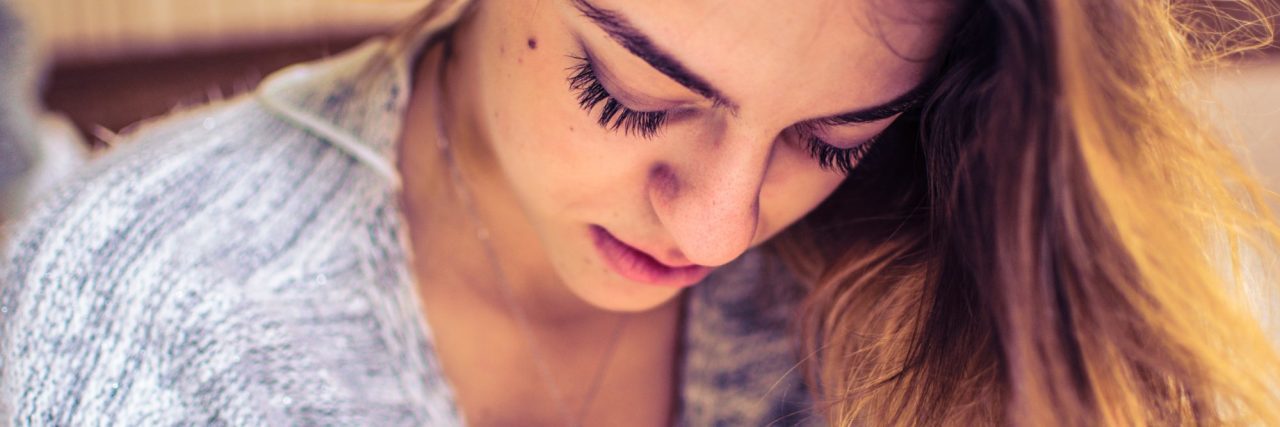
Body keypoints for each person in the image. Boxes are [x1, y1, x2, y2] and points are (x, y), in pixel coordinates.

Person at [2, 0, 1278, 426]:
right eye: (626, 96)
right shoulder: (155, 310)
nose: (716, 228)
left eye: (828, 142)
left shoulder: (925, 248)